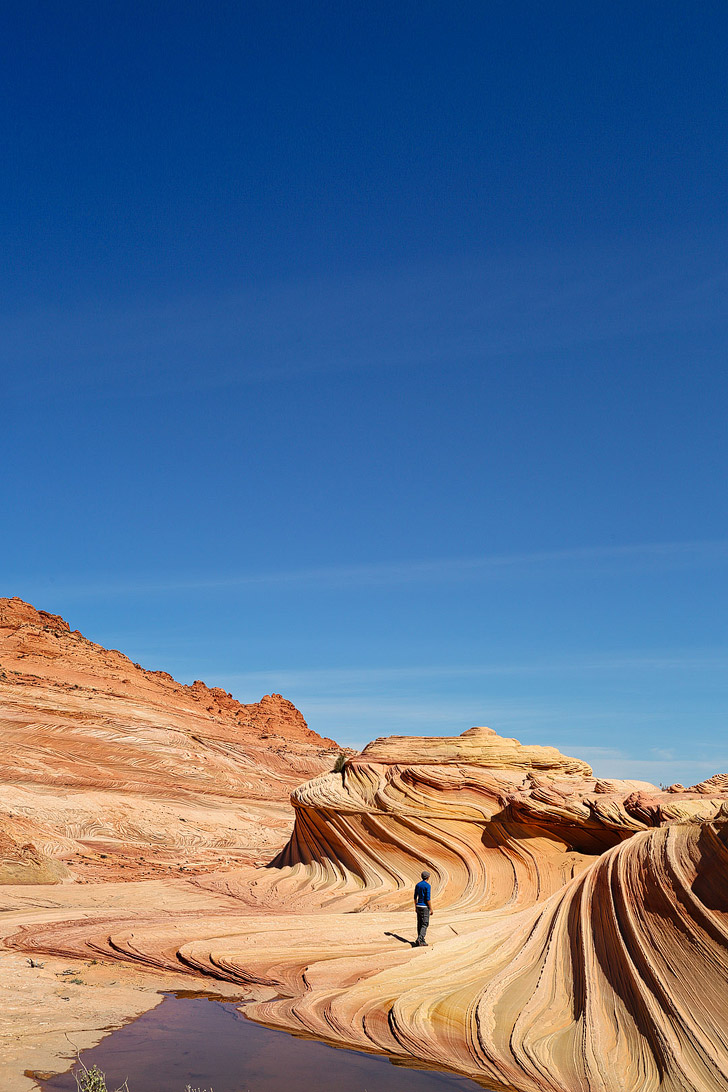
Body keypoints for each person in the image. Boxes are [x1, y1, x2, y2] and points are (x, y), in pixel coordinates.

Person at [413, 869, 432, 946]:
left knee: (420, 923)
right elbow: (428, 898)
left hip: (418, 906)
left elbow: (415, 897)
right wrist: (431, 908)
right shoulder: (427, 886)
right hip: (424, 907)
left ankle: (421, 940)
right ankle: (420, 939)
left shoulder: (418, 885)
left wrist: (415, 907)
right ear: (427, 877)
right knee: (425, 923)